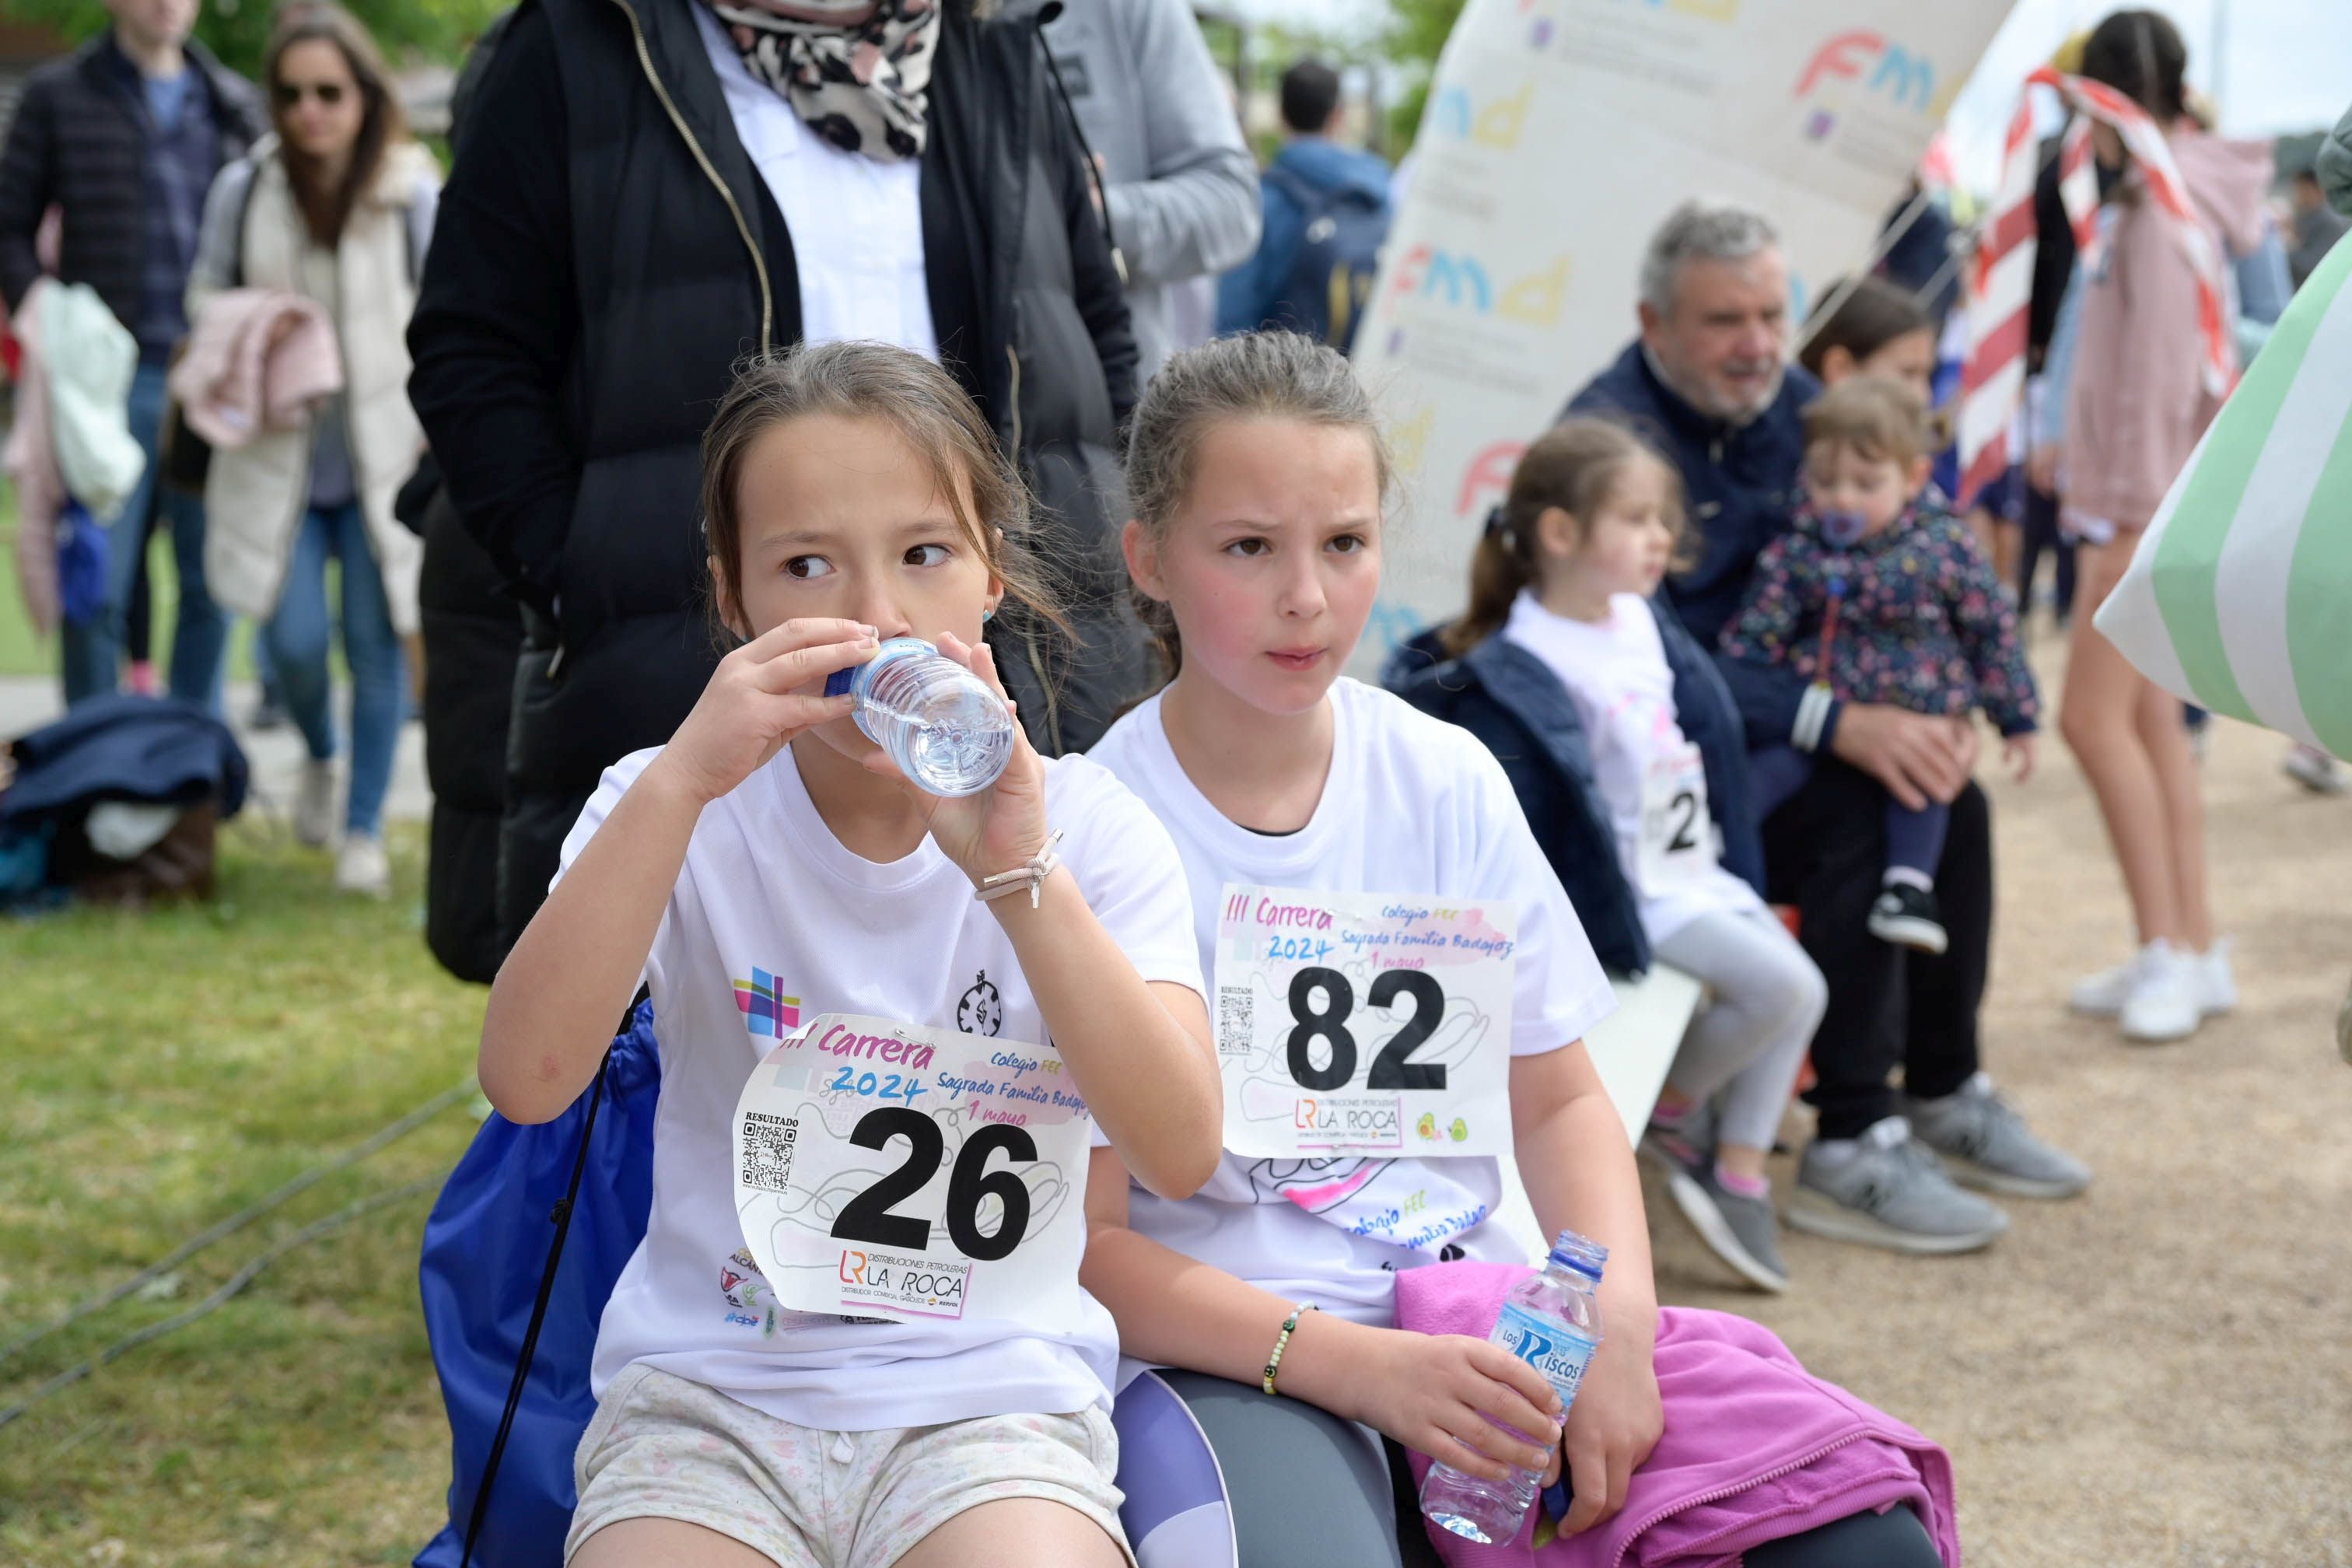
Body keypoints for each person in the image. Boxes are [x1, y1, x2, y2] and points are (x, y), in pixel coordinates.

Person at [1083, 333, 1946, 1568]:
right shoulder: (1096, 830)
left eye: (1344, 543)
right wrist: (1360, 1368)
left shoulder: (1445, 776)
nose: (1307, 598)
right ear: (1149, 560)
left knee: (1865, 1550)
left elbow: (1558, 1102)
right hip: (1246, 1353)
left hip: (1487, 1322)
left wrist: (1619, 1333)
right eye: (1247, 547)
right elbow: (1090, 1246)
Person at [485, 341, 1221, 1568]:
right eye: (806, 565)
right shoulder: (667, 804)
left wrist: (1017, 878)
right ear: (735, 601)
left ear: (991, 568)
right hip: (708, 1402)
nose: (878, 616)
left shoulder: (1089, 825)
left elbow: (1178, 1146)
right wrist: (678, 786)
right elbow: (526, 1077)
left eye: (924, 554)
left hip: (989, 1402)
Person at [409, 0, 1143, 960]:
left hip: (1002, 642)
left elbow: (1098, 317)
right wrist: (584, 570)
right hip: (687, 644)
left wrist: (1083, 537)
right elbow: (472, 349)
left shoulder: (991, 35)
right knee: (685, 1021)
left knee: (1023, 1014)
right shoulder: (581, 40)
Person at [1563, 199, 2088, 1255]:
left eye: (1772, 313)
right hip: (1657, 789)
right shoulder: (1606, 441)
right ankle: (1849, 1137)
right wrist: (1837, 720)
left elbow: (1919, 528)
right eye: (1725, 321)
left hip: (1785, 738)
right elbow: (1634, 648)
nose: (1759, 345)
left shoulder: (1802, 403)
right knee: (1861, 806)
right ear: (1653, 323)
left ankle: (1941, 1088)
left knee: (1952, 793)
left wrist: (1942, 701)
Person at [1400, 418, 1825, 1293]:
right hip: (1633, 899)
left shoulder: (1639, 618)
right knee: (1790, 988)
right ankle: (1704, 1139)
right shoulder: (1520, 660)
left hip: (1692, 871)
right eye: (1636, 519)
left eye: (1663, 518)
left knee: (1798, 989)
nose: (1662, 538)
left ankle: (1711, 1148)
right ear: (1561, 535)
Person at [184, 3, 435, 898]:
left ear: (365, 96)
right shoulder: (246, 188)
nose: (309, 113)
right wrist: (262, 331)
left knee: (375, 649)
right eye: (290, 95)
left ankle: (361, 830)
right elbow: (203, 299)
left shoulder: (409, 192)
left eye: (329, 92)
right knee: (287, 642)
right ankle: (320, 756)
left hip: (384, 465)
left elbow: (450, 321)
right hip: (277, 462)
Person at [2049, 11, 2257, 1045]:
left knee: (2094, 722)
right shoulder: (2163, 204)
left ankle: (2171, 948)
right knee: (2149, 726)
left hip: (2138, 512)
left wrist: (2118, 523)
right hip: (2151, 506)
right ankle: (2187, 943)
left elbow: (2160, 388)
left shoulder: (2158, 218)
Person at [0, 0, 262, 709]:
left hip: (210, 386)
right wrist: (48, 317)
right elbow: (9, 227)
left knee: (213, 585)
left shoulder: (233, 103)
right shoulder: (59, 95)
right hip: (105, 388)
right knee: (96, 588)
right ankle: (92, 775)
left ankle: (188, 774)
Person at [1724, 377, 2039, 968]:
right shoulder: (1798, 549)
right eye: (1825, 482)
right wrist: (1755, 669)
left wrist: (2016, 716)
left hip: (1915, 711)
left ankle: (1908, 887)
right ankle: (1721, 861)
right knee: (1763, 774)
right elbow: (1755, 633)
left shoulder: (1944, 548)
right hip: (1818, 715)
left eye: (1866, 485)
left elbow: (1990, 631)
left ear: (1913, 478)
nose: (1843, 499)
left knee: (1926, 783)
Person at [1015, 0, 1260, 381]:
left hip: (1103, 397)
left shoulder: (1131, 9)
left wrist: (1089, 215)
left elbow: (1233, 204)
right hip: (919, 406)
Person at [1214, 59, 1391, 349]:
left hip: (1287, 385)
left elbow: (1233, 322)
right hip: (1360, 378)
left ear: (1280, 115)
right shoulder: (1378, 194)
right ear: (1338, 116)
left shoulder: (1263, 199)